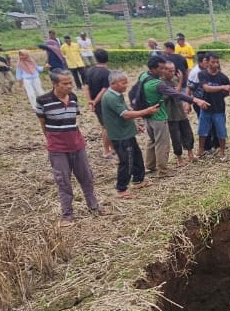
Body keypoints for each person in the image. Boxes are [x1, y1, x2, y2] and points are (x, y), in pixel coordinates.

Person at [33, 69, 106, 226]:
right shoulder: (43, 101)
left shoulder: (73, 98)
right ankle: (67, 215)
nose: (69, 86)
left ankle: (94, 207)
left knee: (86, 177)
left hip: (77, 145)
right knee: (63, 181)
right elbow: (43, 125)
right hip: (58, 149)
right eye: (65, 83)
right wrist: (53, 140)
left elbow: (73, 121)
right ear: (54, 84)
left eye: (70, 83)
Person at [138, 56, 208, 177]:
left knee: (151, 141)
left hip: (148, 115)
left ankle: (150, 165)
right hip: (159, 116)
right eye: (161, 68)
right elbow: (176, 94)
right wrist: (195, 100)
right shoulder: (158, 84)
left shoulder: (143, 76)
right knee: (162, 144)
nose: (163, 70)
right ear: (153, 69)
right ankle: (163, 171)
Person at [99, 70, 159, 199]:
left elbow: (124, 112)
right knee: (126, 161)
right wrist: (146, 111)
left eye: (126, 82)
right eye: (123, 83)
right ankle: (121, 189)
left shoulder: (117, 95)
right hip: (120, 135)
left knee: (136, 156)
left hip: (127, 132)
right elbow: (125, 114)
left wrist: (134, 124)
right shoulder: (110, 97)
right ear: (113, 83)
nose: (126, 85)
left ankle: (138, 180)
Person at [160, 60, 196, 166]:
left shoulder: (175, 79)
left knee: (188, 133)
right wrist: (180, 82)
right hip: (171, 114)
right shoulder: (161, 83)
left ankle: (190, 153)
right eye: (170, 71)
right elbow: (174, 94)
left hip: (180, 112)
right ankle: (179, 158)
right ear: (164, 71)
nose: (172, 73)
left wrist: (186, 103)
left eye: (173, 70)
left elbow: (181, 94)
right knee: (176, 137)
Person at [196, 53, 230, 162]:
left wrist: (223, 91)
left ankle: (222, 151)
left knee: (221, 131)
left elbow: (227, 92)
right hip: (206, 108)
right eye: (213, 62)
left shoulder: (223, 77)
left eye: (217, 62)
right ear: (207, 62)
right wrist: (222, 87)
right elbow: (206, 88)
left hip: (219, 108)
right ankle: (201, 150)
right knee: (202, 131)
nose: (215, 64)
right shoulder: (202, 74)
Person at [83, 48, 114, 158]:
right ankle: (106, 151)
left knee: (104, 125)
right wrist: (95, 101)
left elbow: (86, 87)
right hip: (103, 103)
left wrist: (90, 101)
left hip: (96, 103)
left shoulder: (90, 71)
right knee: (107, 127)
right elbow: (104, 89)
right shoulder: (107, 73)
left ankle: (112, 148)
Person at [187, 52, 219, 156]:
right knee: (205, 124)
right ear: (200, 62)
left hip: (212, 101)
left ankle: (216, 144)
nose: (209, 63)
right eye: (206, 61)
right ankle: (206, 147)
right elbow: (189, 88)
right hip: (200, 102)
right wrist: (188, 103)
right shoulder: (195, 73)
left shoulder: (211, 70)